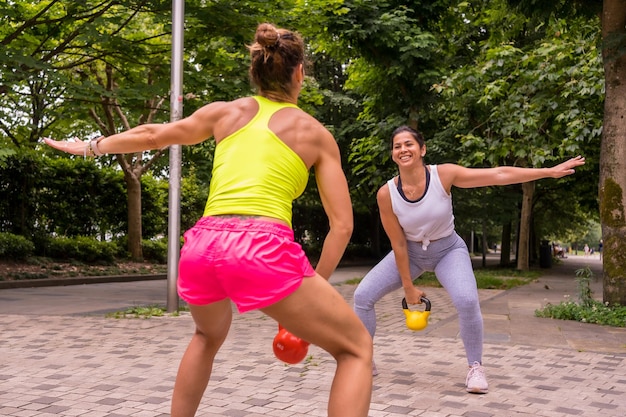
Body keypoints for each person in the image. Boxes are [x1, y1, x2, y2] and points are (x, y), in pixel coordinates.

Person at [44, 23, 373, 417]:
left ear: (256, 71)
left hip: (201, 247)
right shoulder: (315, 133)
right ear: (299, 72)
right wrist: (315, 286)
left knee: (206, 334)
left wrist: (90, 145)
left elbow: (153, 135)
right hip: (261, 249)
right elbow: (342, 226)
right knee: (355, 349)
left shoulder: (225, 112)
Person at [353, 125, 585, 394]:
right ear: (393, 154)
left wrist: (548, 172)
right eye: (397, 146)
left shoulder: (444, 175)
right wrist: (408, 287)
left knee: (466, 299)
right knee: (362, 296)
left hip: (448, 250)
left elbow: (498, 174)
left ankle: (475, 368)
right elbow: (398, 243)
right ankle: (363, 360)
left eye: (409, 144)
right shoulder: (386, 194)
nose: (403, 149)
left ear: (422, 149)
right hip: (410, 253)